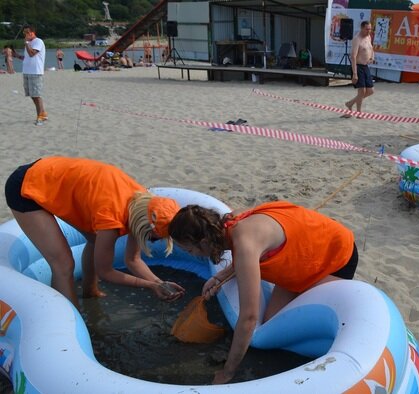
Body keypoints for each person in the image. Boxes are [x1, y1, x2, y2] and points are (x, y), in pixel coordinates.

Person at [168, 201, 358, 384]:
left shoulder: (244, 243)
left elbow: (249, 318)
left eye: (189, 249)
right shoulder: (229, 221)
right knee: (271, 324)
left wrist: (228, 371)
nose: (189, 254)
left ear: (204, 242)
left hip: (336, 257)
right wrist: (220, 277)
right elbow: (253, 251)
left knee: (263, 332)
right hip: (304, 256)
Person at [3, 156, 185, 308]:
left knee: (94, 239)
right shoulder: (112, 218)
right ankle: (70, 326)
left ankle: (90, 292)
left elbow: (133, 260)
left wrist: (159, 283)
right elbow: (105, 271)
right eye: (152, 239)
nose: (150, 241)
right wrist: (150, 286)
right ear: (144, 226)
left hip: (52, 177)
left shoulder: (144, 206)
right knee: (63, 264)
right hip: (26, 186)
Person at [13, 26, 47, 126]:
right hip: (27, 72)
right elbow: (27, 57)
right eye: (24, 33)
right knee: (32, 95)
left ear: (32, 32)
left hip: (35, 72)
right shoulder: (29, 44)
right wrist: (17, 55)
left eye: (27, 32)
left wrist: (27, 43)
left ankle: (40, 117)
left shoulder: (38, 41)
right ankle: (43, 113)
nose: (25, 34)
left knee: (36, 95)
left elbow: (32, 54)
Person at [343, 21, 375, 118]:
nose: (369, 31)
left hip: (365, 66)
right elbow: (353, 56)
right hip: (358, 66)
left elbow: (371, 49)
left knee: (370, 91)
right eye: (367, 29)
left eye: (370, 29)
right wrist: (355, 73)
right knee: (362, 91)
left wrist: (372, 57)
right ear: (362, 28)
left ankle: (350, 103)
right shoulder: (357, 39)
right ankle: (359, 112)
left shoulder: (368, 37)